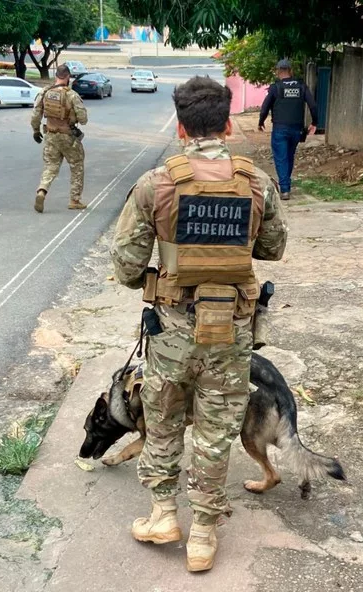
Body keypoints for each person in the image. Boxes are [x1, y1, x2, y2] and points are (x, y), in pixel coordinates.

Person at [111, 76, 288, 572]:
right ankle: (204, 536)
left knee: (164, 422)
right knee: (215, 432)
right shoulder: (256, 182)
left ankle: (164, 514)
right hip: (231, 332)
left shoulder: (155, 185)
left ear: (181, 127)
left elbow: (127, 267)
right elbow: (272, 248)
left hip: (172, 333)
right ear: (228, 124)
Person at [30, 64, 88, 213]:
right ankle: (74, 200)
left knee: (50, 166)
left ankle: (42, 191)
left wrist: (36, 130)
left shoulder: (44, 92)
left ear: (55, 76)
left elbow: (35, 115)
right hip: (68, 136)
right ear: (68, 77)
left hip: (50, 135)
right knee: (77, 165)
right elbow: (83, 119)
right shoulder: (71, 95)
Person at [258, 59, 318, 200]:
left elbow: (265, 107)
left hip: (280, 128)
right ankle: (286, 184)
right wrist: (315, 122)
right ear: (291, 71)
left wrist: (261, 122)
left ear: (278, 71)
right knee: (289, 156)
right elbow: (313, 106)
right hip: (296, 129)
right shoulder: (301, 86)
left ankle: (285, 189)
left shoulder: (275, 88)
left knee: (281, 158)